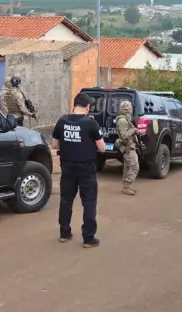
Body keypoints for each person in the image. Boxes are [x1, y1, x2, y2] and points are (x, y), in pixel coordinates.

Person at [51, 93, 106, 248]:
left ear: (74, 105)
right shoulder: (91, 123)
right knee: (89, 202)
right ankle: (88, 238)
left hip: (67, 168)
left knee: (66, 200)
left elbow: (54, 145)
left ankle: (64, 233)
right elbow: (102, 148)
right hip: (86, 169)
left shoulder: (62, 121)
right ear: (88, 107)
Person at [115, 100, 140, 195]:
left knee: (128, 167)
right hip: (127, 147)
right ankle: (127, 186)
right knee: (134, 167)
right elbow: (124, 135)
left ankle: (126, 187)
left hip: (130, 146)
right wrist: (134, 130)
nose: (131, 109)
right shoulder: (122, 120)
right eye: (129, 107)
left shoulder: (126, 119)